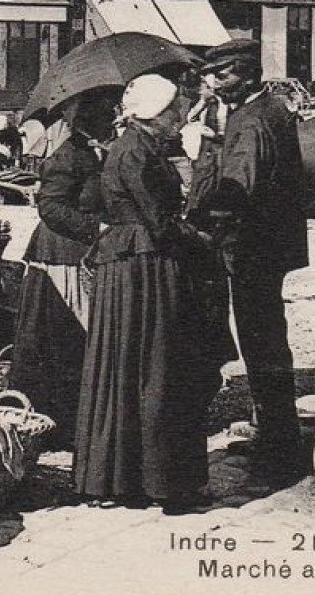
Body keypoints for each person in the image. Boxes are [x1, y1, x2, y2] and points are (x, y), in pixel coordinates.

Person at [74, 75, 234, 512]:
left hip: (131, 266)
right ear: (156, 114)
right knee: (158, 366)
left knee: (128, 367)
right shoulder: (137, 152)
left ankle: (125, 475)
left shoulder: (136, 146)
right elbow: (160, 223)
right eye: (174, 110)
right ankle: (160, 480)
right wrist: (200, 238)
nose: (181, 116)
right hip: (143, 268)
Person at [187, 39, 308, 481]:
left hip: (252, 247)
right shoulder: (271, 108)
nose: (214, 83)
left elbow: (238, 187)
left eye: (224, 75)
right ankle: (276, 423)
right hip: (272, 244)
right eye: (213, 75)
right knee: (269, 333)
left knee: (260, 337)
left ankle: (277, 434)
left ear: (248, 75)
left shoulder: (251, 121)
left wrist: (202, 220)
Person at [12, 92, 115, 444]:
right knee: (60, 340)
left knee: (72, 342)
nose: (112, 120)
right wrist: (94, 228)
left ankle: (72, 421)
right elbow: (51, 207)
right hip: (58, 260)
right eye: (106, 114)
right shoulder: (68, 155)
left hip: (76, 255)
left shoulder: (91, 152)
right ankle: (54, 423)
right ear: (89, 120)